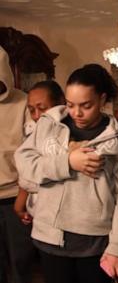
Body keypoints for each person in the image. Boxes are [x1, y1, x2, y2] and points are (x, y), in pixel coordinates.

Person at [14, 64, 118, 283]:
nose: (76, 113)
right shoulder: (49, 124)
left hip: (95, 240)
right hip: (51, 237)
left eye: (86, 105)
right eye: (70, 104)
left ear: (103, 99)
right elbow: (26, 166)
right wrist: (68, 162)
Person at [0, 46, 39, 283]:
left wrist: (24, 197)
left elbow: (34, 151)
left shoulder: (24, 103)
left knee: (21, 259)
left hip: (16, 193)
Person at [14, 80, 65, 225]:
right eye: (31, 110)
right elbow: (26, 170)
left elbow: (41, 175)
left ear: (61, 103)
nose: (36, 116)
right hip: (37, 213)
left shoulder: (65, 132)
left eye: (42, 108)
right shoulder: (31, 130)